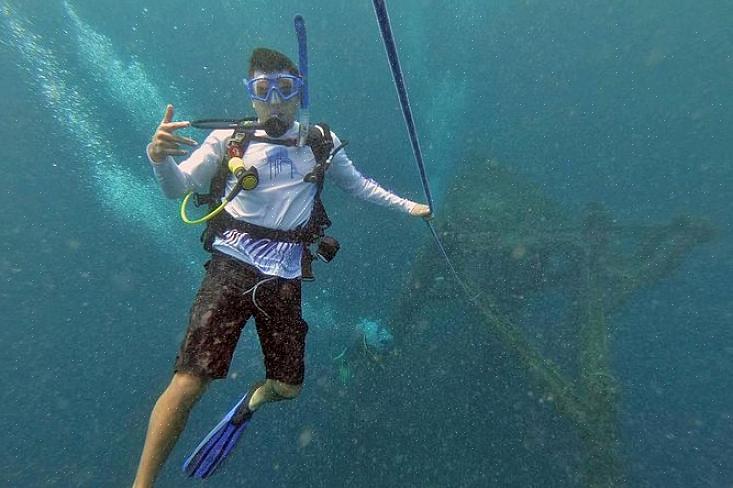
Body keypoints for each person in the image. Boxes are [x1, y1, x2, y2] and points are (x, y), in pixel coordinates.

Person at [131, 47, 430, 487]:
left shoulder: (320, 143)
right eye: (263, 89)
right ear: (250, 95)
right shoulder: (229, 139)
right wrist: (159, 158)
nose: (274, 100)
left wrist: (411, 208)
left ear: (298, 94)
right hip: (230, 267)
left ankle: (250, 403)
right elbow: (177, 189)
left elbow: (360, 186)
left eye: (285, 89)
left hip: (285, 276)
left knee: (287, 388)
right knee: (190, 382)